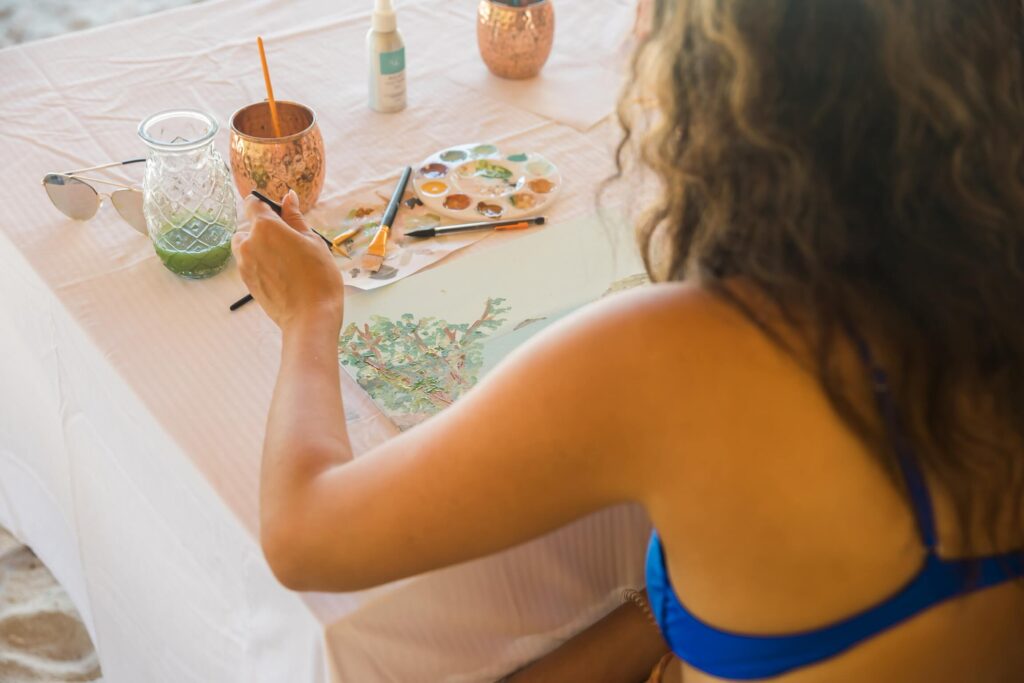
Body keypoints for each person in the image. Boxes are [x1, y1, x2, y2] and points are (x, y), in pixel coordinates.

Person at [232, 0, 1024, 680]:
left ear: (728, 86)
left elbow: (305, 536)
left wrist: (311, 314)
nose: (632, 43)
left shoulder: (679, 352)